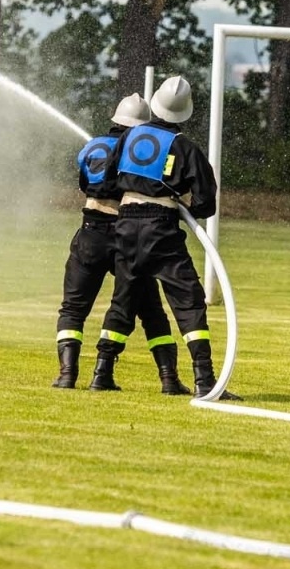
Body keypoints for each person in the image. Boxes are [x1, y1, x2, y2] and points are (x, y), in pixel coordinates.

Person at [89, 76, 239, 399]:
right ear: (186, 112)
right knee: (188, 300)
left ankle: (102, 372)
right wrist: (177, 199)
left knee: (123, 299)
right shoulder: (186, 148)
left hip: (124, 226)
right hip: (161, 227)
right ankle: (205, 380)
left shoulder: (126, 138)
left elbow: (109, 182)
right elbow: (206, 204)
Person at [53, 94, 189, 395]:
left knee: (74, 308)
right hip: (129, 235)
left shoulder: (92, 146)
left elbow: (86, 185)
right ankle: (166, 378)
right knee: (150, 310)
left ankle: (67, 374)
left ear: (115, 120)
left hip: (90, 232)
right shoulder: (139, 148)